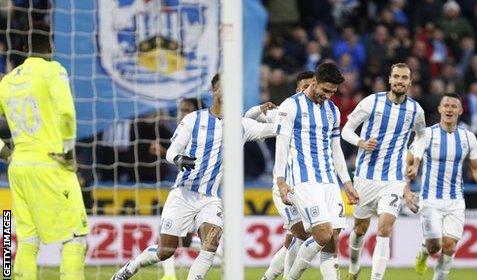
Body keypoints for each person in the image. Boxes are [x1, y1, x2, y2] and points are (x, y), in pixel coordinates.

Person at [111, 74, 275, 280]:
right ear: (213, 91)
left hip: (210, 198)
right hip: (183, 194)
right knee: (165, 251)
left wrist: (286, 117)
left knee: (211, 245)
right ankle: (129, 268)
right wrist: (179, 159)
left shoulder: (241, 125)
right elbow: (171, 152)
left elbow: (274, 128)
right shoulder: (193, 119)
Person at [0, 24, 89, 279]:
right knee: (76, 237)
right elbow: (67, 113)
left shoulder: (6, 81)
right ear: (51, 47)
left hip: (17, 167)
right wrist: (69, 152)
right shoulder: (53, 70)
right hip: (52, 163)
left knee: (28, 238)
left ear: (25, 48)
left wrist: (7, 154)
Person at [341, 63, 425, 280]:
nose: (399, 81)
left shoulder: (416, 110)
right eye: (396, 76)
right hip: (365, 178)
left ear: (410, 81)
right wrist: (361, 142)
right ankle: (353, 266)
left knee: (384, 231)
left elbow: (421, 136)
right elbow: (346, 130)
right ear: (389, 79)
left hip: (394, 180)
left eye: (404, 77)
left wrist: (415, 160)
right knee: (359, 230)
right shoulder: (371, 102)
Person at [274, 62, 357, 280]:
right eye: (325, 90)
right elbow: (281, 147)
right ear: (314, 82)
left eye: (333, 92)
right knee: (322, 234)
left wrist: (347, 183)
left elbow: (336, 150)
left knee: (332, 241)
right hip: (303, 179)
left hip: (329, 180)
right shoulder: (290, 106)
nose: (328, 96)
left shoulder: (333, 111)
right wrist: (280, 181)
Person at [410, 93, 477, 279]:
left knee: (449, 245)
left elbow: (476, 166)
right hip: (430, 199)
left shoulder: (468, 137)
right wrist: (408, 183)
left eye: (453, 106)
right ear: (440, 109)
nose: (449, 109)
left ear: (460, 110)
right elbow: (409, 159)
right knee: (435, 246)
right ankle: (424, 252)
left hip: (455, 200)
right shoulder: (427, 134)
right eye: (446, 105)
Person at [258, 70, 315, 280]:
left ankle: (267, 278)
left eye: (312, 86)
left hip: (306, 185)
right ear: (298, 90)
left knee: (293, 239)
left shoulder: (319, 116)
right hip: (284, 185)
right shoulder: (284, 111)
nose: (309, 90)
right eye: (304, 87)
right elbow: (248, 119)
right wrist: (259, 109)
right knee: (301, 234)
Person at [158, 97, 206, 280]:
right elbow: (179, 161)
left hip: (198, 194)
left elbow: (191, 163)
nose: (182, 113)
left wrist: (164, 152)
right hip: (182, 190)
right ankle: (169, 276)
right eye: (181, 109)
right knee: (179, 239)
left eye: (187, 110)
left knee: (202, 240)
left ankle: (228, 256)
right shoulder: (180, 130)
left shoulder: (199, 134)